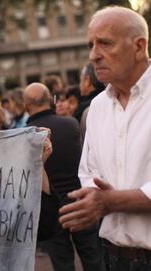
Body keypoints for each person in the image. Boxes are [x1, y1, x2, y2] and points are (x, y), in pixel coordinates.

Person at [59, 6, 151, 270]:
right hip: (113, 259)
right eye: (91, 45)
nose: (93, 56)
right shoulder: (98, 107)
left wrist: (109, 202)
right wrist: (88, 200)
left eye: (105, 44)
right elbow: (88, 173)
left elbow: (105, 199)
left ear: (139, 46)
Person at [24, 83, 104, 271]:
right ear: (50, 101)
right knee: (93, 257)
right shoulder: (70, 124)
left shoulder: (25, 135)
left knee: (63, 263)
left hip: (51, 208)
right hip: (79, 199)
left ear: (27, 106)